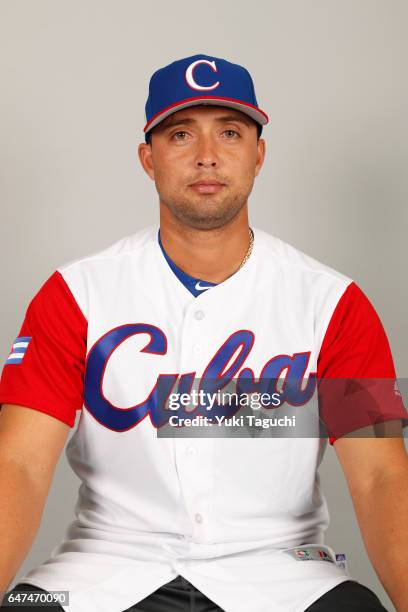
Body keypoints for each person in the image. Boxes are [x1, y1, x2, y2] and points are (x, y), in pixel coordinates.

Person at [0, 53, 407, 612]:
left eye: (232, 133)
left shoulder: (335, 302)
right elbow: (18, 462)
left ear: (258, 154)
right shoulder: (75, 294)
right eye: (182, 134)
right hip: (105, 565)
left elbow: (382, 473)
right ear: (148, 158)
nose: (208, 157)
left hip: (283, 571)